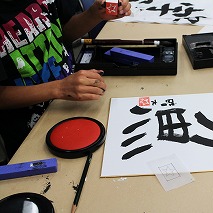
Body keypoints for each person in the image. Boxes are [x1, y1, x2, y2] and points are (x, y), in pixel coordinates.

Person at [0, 0, 131, 160]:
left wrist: (94, 15)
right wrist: (60, 88)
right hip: (30, 132)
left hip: (74, 100)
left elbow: (64, 33)